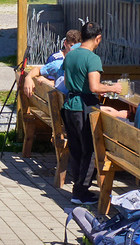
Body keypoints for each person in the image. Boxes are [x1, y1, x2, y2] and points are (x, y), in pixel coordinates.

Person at [60, 21, 120, 200]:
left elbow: (67, 79)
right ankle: (81, 192)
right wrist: (113, 88)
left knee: (76, 149)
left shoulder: (70, 54)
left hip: (69, 105)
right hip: (84, 107)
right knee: (90, 150)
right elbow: (94, 87)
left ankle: (77, 189)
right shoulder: (92, 58)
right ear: (98, 38)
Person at [22, 29, 79, 99]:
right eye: (71, 46)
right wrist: (28, 77)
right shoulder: (56, 60)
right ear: (65, 44)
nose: (73, 50)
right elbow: (48, 82)